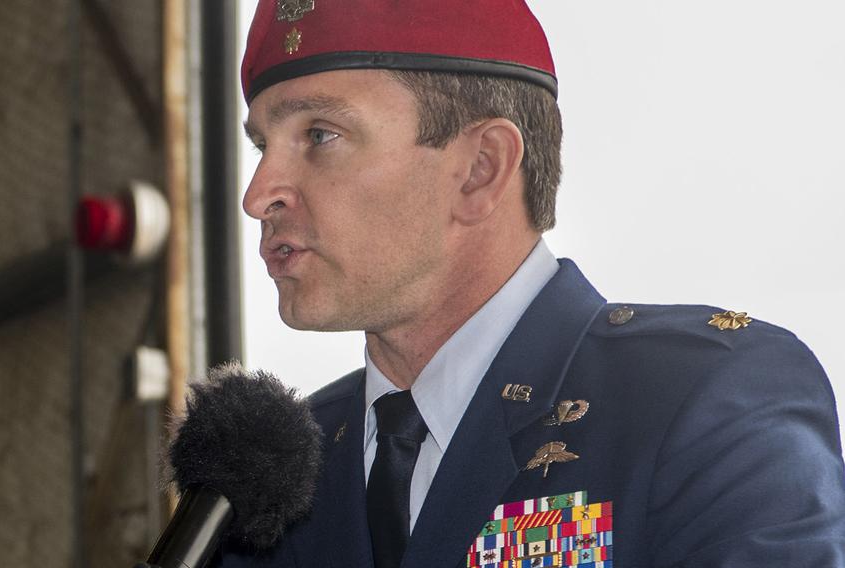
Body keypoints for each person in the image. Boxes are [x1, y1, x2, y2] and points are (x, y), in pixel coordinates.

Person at [219, 1, 845, 566]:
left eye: (320, 136)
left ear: (480, 170)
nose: (258, 196)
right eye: (261, 147)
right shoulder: (271, 473)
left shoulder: (700, 400)